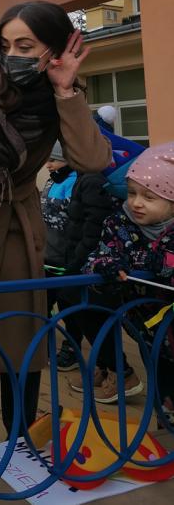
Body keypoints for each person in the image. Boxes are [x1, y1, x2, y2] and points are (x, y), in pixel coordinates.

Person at [0, 1, 111, 441]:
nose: (11, 54)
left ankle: (21, 438)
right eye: (5, 44)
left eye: (25, 46)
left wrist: (66, 91)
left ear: (53, 50)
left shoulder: (55, 97)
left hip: (18, 230)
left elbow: (92, 160)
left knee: (19, 345)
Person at [84, 142, 174, 417]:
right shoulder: (119, 224)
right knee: (162, 382)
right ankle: (166, 419)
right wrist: (106, 265)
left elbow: (166, 263)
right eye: (132, 192)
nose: (135, 202)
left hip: (165, 320)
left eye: (149, 197)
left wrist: (149, 262)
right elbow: (95, 260)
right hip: (147, 327)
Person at [40, 143, 82, 370]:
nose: (48, 165)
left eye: (53, 160)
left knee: (69, 308)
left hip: (65, 257)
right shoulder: (51, 181)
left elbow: (72, 219)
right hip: (48, 254)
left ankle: (71, 348)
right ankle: (43, 347)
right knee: (43, 304)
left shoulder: (74, 182)